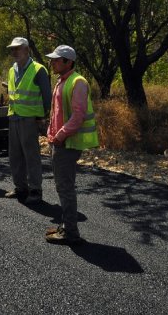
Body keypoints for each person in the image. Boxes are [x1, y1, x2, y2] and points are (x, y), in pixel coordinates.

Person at [44, 45, 99, 245]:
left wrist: (59, 136)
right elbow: (58, 113)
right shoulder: (62, 81)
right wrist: (51, 134)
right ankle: (67, 226)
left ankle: (71, 232)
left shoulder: (78, 82)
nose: (53, 62)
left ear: (69, 62)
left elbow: (78, 116)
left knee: (65, 187)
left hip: (67, 143)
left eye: (57, 60)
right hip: (60, 142)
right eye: (53, 59)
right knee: (62, 186)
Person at [5, 37, 51, 203]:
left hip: (30, 119)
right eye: (12, 49)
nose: (14, 52)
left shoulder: (38, 69)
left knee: (31, 156)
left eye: (17, 48)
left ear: (26, 50)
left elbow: (47, 97)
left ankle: (35, 190)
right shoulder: (12, 70)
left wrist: (42, 117)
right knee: (15, 155)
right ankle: (20, 187)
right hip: (14, 117)